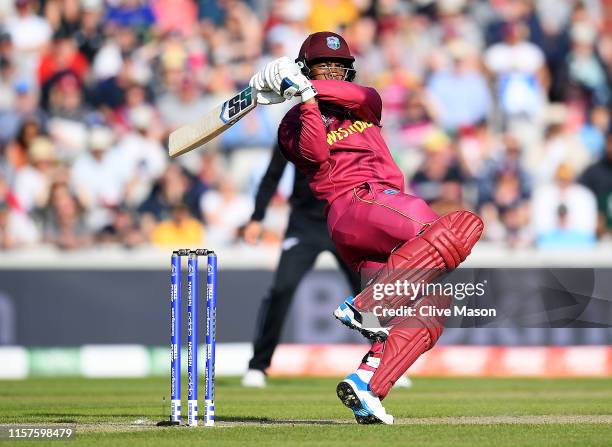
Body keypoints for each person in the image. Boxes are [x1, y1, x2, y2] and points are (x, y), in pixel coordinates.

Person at [250, 32, 483, 424]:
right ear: (307, 66)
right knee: (461, 225)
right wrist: (306, 101)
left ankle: (367, 387)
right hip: (359, 202)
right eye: (324, 65)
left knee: (431, 310)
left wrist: (306, 85)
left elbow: (363, 98)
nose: (335, 71)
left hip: (375, 219)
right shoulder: (290, 126)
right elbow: (316, 153)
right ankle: (365, 306)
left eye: (340, 66)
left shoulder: (364, 103)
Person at [241, 142, 362, 387]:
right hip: (303, 225)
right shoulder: (293, 131)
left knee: (366, 296)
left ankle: (386, 361)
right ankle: (258, 366)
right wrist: (257, 217)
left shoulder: (348, 127)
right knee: (281, 289)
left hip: (343, 222)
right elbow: (272, 175)